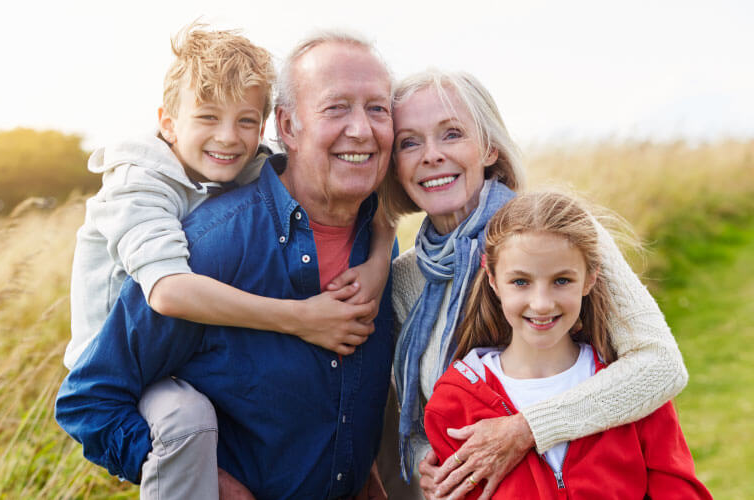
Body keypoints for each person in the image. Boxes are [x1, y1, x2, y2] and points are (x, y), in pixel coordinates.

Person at [56, 31, 395, 499]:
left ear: (263, 129)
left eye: (377, 108)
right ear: (290, 128)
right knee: (183, 419)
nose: (361, 128)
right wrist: (208, 485)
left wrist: (381, 256)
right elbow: (92, 397)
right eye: (336, 107)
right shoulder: (193, 236)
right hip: (123, 345)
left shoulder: (372, 238)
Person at [377, 70, 689, 500]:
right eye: (410, 142)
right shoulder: (406, 277)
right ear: (395, 164)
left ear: (489, 147)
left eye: (451, 134)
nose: (431, 155)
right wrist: (426, 463)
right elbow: (419, 411)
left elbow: (660, 366)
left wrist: (526, 429)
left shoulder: (557, 236)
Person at [423, 191, 712, 499]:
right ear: (493, 280)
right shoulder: (454, 403)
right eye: (520, 282)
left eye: (562, 280)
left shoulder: (634, 390)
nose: (542, 304)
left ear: (590, 278)